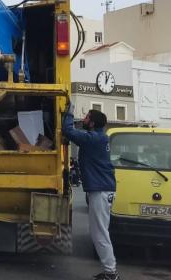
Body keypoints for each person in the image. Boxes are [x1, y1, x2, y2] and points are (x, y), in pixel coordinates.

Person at [62, 105, 118, 280]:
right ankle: (110, 271)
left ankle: (111, 272)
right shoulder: (99, 138)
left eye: (86, 117)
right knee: (98, 231)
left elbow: (69, 131)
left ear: (92, 123)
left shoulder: (94, 139)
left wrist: (69, 112)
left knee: (100, 232)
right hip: (102, 189)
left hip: (101, 191)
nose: (83, 119)